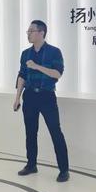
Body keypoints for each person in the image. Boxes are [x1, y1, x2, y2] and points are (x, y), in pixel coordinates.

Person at [13, 20, 70, 182]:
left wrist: (37, 66)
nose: (28, 34)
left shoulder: (54, 52)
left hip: (47, 96)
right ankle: (31, 164)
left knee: (55, 132)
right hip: (30, 96)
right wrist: (17, 98)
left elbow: (57, 74)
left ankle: (64, 170)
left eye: (31, 31)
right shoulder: (25, 54)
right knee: (30, 132)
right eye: (28, 31)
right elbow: (22, 75)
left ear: (41, 32)